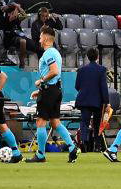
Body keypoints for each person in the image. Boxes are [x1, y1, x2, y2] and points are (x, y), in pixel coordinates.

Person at [26, 26, 80, 163]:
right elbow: (56, 75)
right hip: (55, 90)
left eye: (40, 37)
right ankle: (72, 147)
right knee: (55, 122)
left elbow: (54, 71)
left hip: (49, 91)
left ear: (45, 38)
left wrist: (41, 81)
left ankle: (40, 155)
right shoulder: (56, 52)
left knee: (40, 122)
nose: (39, 40)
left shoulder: (48, 53)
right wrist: (41, 90)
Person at [74, 47, 110, 152]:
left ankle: (83, 143)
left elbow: (77, 86)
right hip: (97, 101)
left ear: (87, 57)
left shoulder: (81, 70)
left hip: (84, 100)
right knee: (97, 123)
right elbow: (104, 87)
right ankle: (97, 146)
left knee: (84, 122)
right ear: (97, 57)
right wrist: (106, 102)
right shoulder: (101, 69)